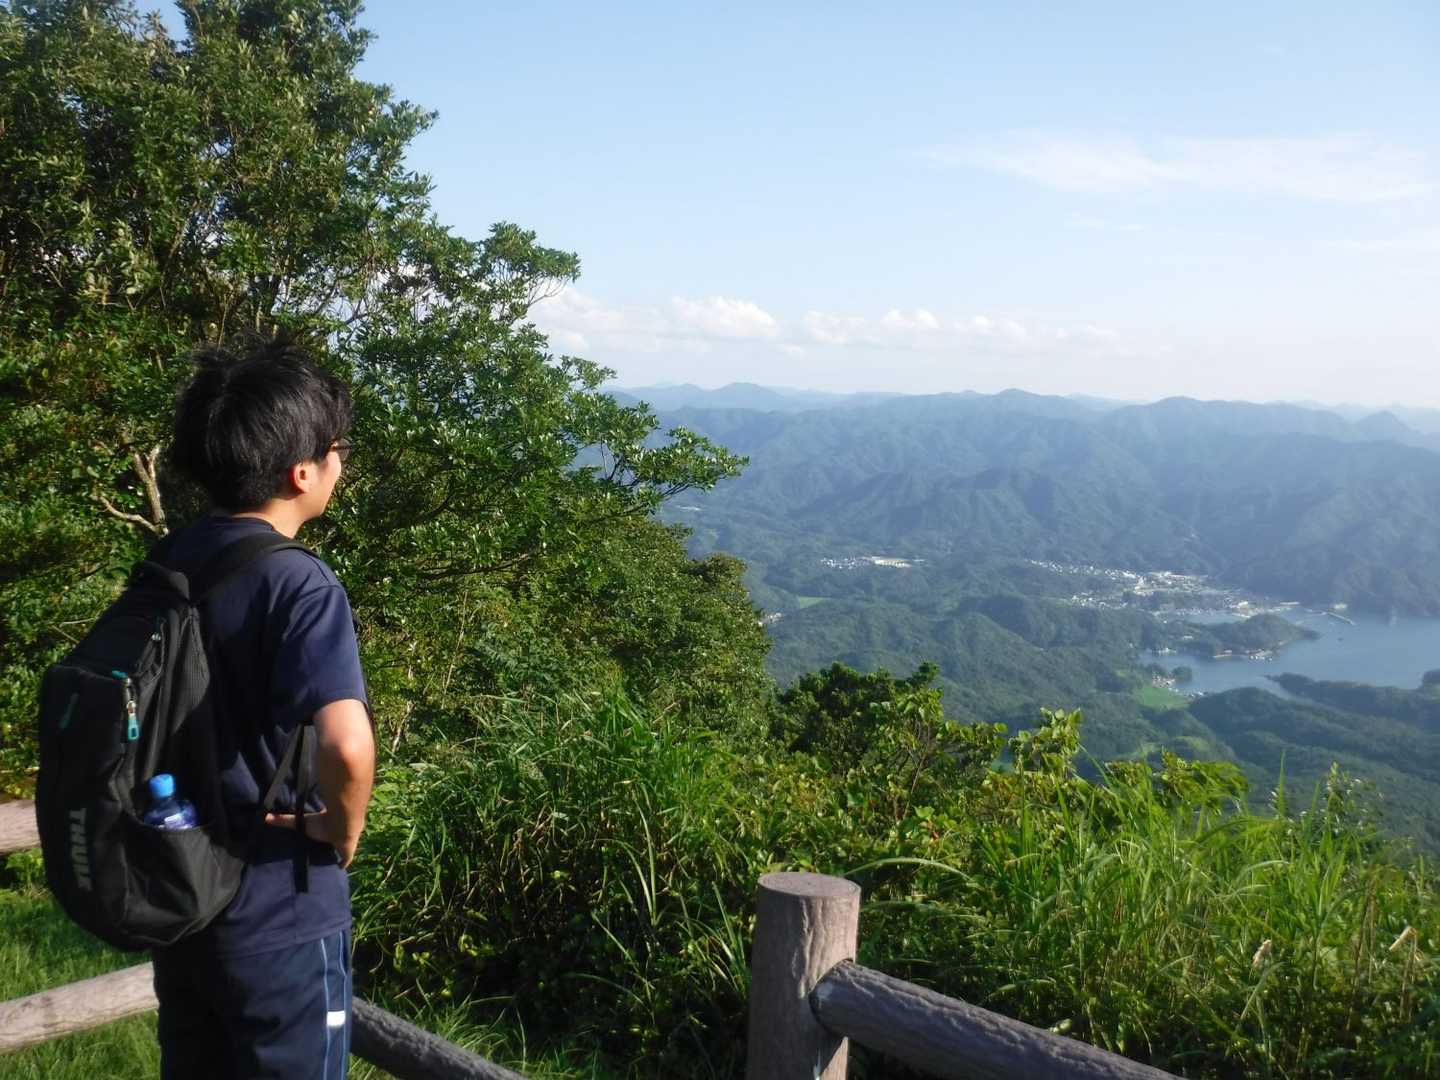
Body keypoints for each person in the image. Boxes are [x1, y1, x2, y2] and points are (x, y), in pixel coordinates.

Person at [152, 333, 375, 1080]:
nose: (341, 464)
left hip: (185, 894)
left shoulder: (172, 558)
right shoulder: (300, 584)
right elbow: (346, 746)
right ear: (301, 471)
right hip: (278, 910)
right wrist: (340, 827)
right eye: (337, 450)